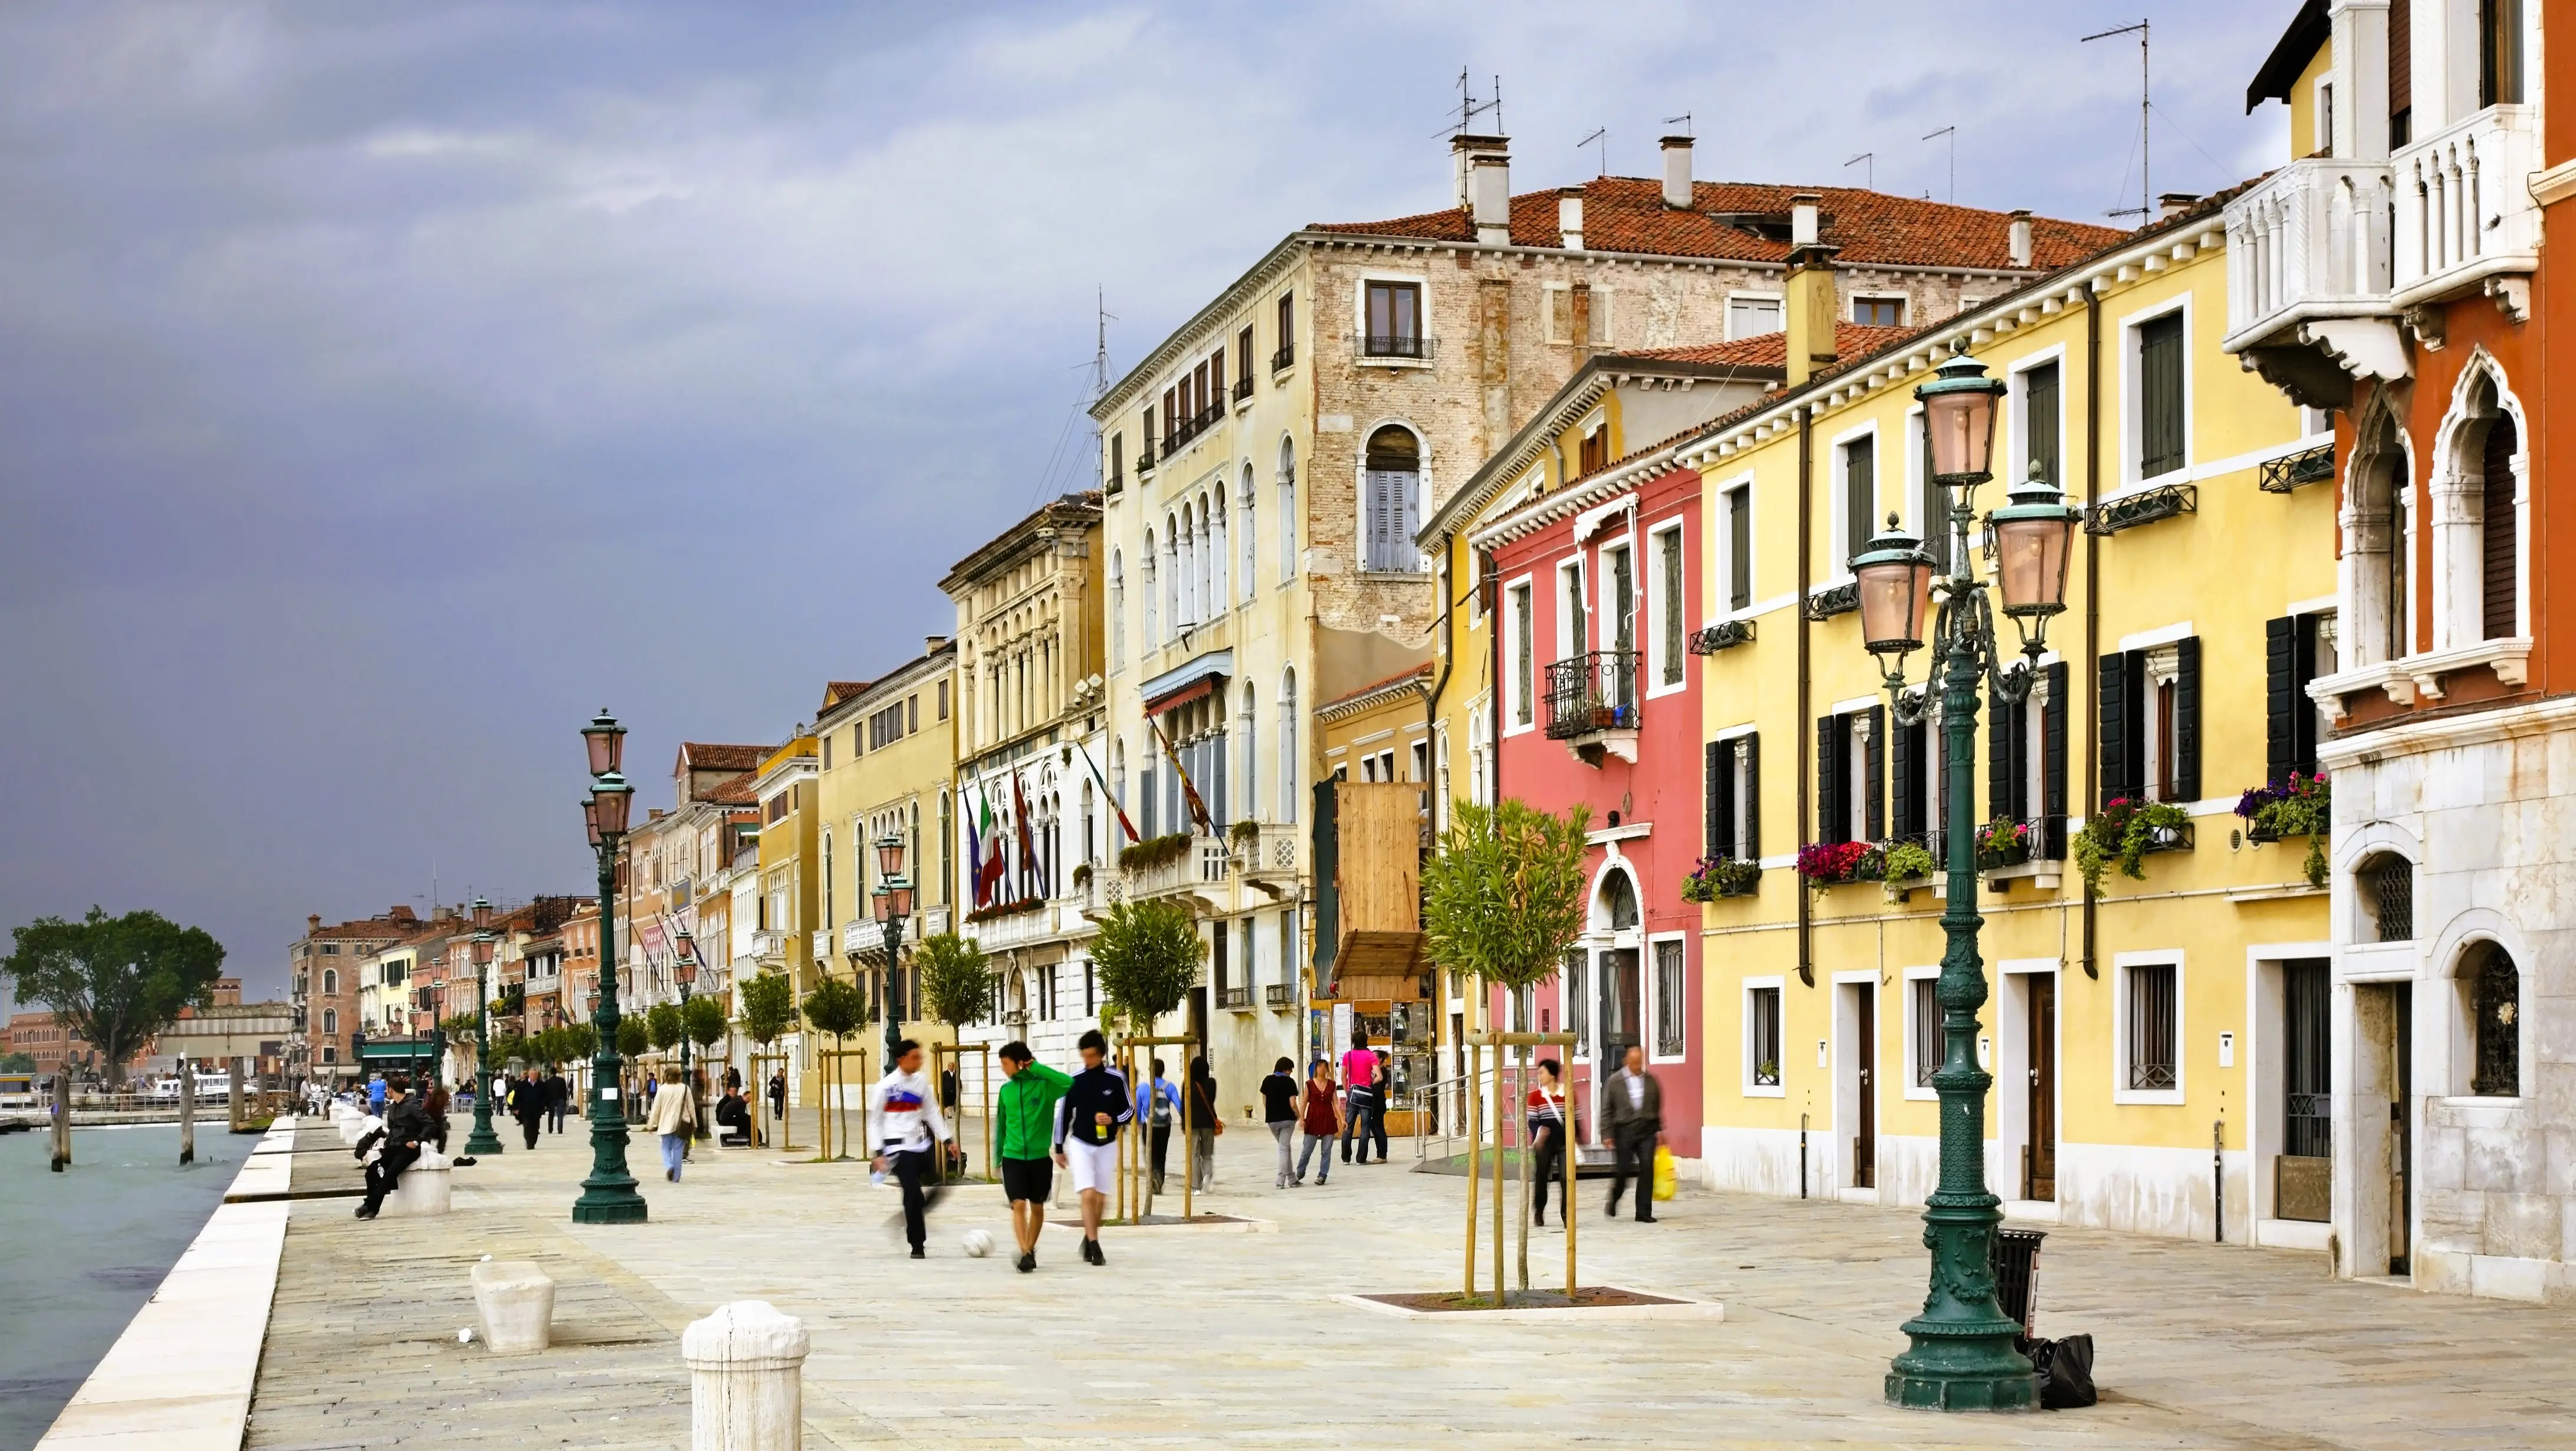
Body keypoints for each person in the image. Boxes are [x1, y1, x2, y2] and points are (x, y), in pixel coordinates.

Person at [868, 1038, 957, 1259]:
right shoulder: (885, 1087)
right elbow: (875, 1122)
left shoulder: (921, 1083)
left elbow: (932, 1113)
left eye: (920, 1057)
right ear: (902, 1059)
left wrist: (948, 1140)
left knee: (940, 1185)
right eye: (915, 1057)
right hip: (896, 1148)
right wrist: (877, 1154)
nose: (920, 1061)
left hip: (919, 1146)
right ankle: (918, 1244)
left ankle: (908, 1216)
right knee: (913, 1193)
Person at [1051, 1028, 1132, 1265]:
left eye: (1091, 1056)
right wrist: (1058, 1147)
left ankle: (1089, 1237)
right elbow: (1064, 1115)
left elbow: (1130, 1109)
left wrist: (1113, 1119)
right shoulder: (1074, 1080)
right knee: (1088, 1193)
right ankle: (1096, 1247)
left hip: (1107, 1144)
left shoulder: (1116, 1079)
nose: (1087, 1061)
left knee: (1101, 1197)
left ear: (1101, 1055)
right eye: (1084, 1056)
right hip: (1081, 1143)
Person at [993, 1040, 1070, 1273]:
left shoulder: (1044, 1087)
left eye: (1005, 1064)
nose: (1003, 1069)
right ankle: (1026, 1252)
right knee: (1018, 1205)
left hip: (1039, 1159)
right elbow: (1001, 1127)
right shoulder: (1006, 1091)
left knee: (1037, 1207)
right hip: (1013, 1158)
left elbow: (1068, 1083)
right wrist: (997, 1159)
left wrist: (1035, 1067)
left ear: (1020, 1063)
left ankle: (1029, 1249)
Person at [1601, 1045, 1664, 1223]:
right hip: (1624, 1130)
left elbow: (1657, 1105)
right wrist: (1606, 1133)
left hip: (1647, 1130)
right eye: (1634, 1062)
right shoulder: (1615, 1082)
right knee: (1623, 1170)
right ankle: (1614, 1198)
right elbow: (1606, 1109)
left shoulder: (1651, 1081)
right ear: (1626, 1061)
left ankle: (1643, 1212)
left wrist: (1660, 1129)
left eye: (1640, 1062)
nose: (1637, 1065)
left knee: (1647, 1168)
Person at [354, 1074, 424, 1219]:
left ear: (391, 1090)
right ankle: (369, 1207)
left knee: (389, 1174)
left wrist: (417, 1142)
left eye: (387, 1089)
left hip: (408, 1148)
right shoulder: (392, 1108)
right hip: (393, 1147)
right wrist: (386, 1146)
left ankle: (370, 1208)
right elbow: (392, 1131)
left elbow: (429, 1125)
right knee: (372, 1171)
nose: (386, 1092)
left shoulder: (413, 1106)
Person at [1527, 1058, 1569, 1226]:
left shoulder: (1567, 1094)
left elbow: (1576, 1119)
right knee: (1542, 1176)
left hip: (1564, 1142)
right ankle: (1539, 1210)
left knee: (1567, 1178)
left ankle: (1567, 1215)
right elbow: (1532, 1121)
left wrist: (1577, 1141)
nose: (1539, 1075)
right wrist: (1540, 1131)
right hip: (1544, 1143)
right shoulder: (1535, 1097)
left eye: (1542, 1072)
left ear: (1552, 1075)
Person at [1293, 1060, 1340, 1186]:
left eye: (1325, 1067)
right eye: (1320, 1066)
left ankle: (1322, 1175)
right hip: (1313, 1119)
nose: (1323, 1069)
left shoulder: (1332, 1085)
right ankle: (1300, 1171)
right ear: (1316, 1069)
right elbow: (1304, 1102)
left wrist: (1342, 1119)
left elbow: (1335, 1103)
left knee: (1326, 1151)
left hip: (1328, 1119)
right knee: (1307, 1149)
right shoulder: (1309, 1084)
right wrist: (1302, 1118)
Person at [1136, 1058, 1180, 1194]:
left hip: (1149, 1126)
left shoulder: (1142, 1088)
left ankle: (1152, 1180)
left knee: (1150, 1154)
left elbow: (1137, 1110)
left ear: (1150, 1070)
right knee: (1162, 1154)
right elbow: (1180, 1106)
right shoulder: (1170, 1087)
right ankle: (1159, 1179)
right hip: (1165, 1126)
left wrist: (1138, 1122)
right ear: (1163, 1071)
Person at [646, 1064, 696, 1181]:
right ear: (679, 1076)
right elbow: (691, 1108)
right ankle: (676, 1177)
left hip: (666, 1124)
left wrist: (651, 1124)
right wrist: (694, 1123)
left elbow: (656, 1108)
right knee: (678, 1149)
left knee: (665, 1148)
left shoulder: (662, 1089)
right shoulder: (685, 1088)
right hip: (682, 1123)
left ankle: (669, 1166)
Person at [1259, 1057, 1299, 1188]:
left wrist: (1271, 1113)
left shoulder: (1267, 1081)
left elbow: (1264, 1101)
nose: (1291, 1072)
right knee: (1284, 1149)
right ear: (1284, 1069)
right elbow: (1293, 1104)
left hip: (1272, 1121)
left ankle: (1292, 1178)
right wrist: (1299, 1115)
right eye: (1290, 1069)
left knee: (1285, 1147)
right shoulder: (1290, 1082)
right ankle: (1281, 1180)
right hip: (1287, 1120)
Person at [1339, 1031, 1379, 1164]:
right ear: (1366, 1040)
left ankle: (1346, 1158)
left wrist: (1348, 1091)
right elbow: (1380, 1076)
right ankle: (1361, 1159)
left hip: (1353, 1093)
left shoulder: (1348, 1055)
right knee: (1365, 1126)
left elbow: (1343, 1076)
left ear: (1353, 1041)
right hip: (1366, 1095)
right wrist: (1371, 1082)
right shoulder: (1371, 1055)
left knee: (1348, 1126)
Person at [1185, 1056, 1220, 1192]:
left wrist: (1184, 1123)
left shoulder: (1188, 1084)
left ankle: (1196, 1186)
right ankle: (1207, 1176)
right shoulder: (1212, 1083)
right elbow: (1211, 1100)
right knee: (1207, 1153)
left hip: (1192, 1123)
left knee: (1194, 1154)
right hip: (1208, 1122)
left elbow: (1185, 1106)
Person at [510, 1068, 546, 1150]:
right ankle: (529, 1142)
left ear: (537, 1075)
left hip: (536, 1110)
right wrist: (516, 1108)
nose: (533, 1076)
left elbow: (544, 1096)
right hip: (525, 1110)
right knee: (527, 1126)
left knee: (535, 1128)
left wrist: (543, 1106)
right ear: (529, 1075)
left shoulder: (541, 1085)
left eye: (535, 1075)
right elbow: (517, 1097)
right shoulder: (522, 1084)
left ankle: (533, 1142)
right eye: (532, 1075)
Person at [545, 1066, 570, 1134]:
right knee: (560, 1115)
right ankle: (560, 1130)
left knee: (551, 1115)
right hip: (561, 1099)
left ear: (550, 1073)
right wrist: (565, 1100)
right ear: (556, 1072)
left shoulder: (547, 1082)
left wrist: (546, 1103)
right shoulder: (561, 1080)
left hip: (551, 1100)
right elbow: (565, 1091)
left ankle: (550, 1129)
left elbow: (546, 1093)